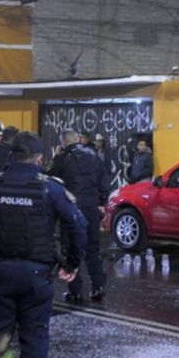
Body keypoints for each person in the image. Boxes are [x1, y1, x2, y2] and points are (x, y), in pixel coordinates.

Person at [0, 132, 87, 358]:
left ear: (12, 156)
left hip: (0, 273)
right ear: (40, 158)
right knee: (34, 338)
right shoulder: (50, 187)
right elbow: (79, 226)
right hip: (36, 276)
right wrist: (71, 264)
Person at [48, 130, 108, 303]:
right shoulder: (94, 155)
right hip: (91, 208)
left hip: (72, 209)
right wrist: (101, 201)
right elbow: (105, 180)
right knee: (92, 249)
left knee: (71, 249)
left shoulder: (62, 158)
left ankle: (75, 291)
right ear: (77, 140)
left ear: (64, 143)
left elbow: (51, 180)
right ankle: (98, 287)